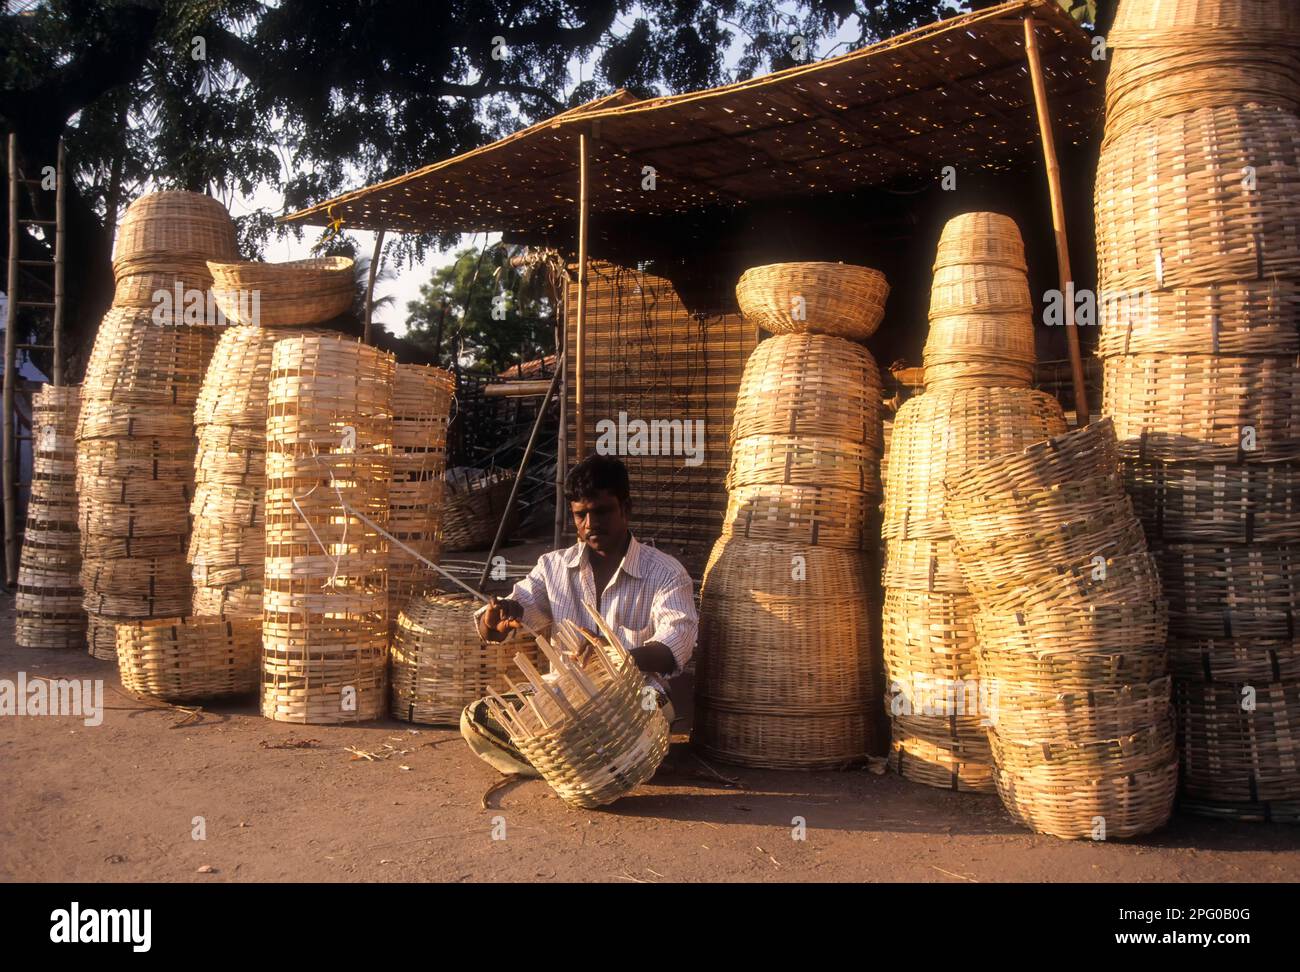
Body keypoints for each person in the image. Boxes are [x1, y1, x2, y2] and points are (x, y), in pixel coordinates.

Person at [460, 454, 698, 777]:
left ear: (626, 509)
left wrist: (614, 658)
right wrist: (497, 619)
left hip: (635, 701)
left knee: (628, 717)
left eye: (601, 512)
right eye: (581, 514)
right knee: (478, 718)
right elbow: (501, 625)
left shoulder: (666, 573)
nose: (590, 524)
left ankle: (566, 760)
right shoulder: (553, 567)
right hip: (566, 701)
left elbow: (674, 649)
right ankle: (580, 762)